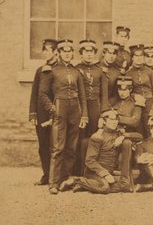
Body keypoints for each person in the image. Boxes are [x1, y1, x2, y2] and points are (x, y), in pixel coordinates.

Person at [38, 39, 88, 194]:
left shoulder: (76, 72)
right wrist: (53, 109)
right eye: (64, 51)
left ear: (72, 53)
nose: (67, 54)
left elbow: (82, 96)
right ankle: (53, 182)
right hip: (60, 108)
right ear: (58, 53)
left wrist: (84, 115)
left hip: (75, 110)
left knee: (72, 147)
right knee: (58, 147)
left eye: (69, 51)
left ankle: (65, 179)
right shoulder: (50, 70)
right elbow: (43, 94)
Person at [59, 109, 134, 194]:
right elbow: (89, 161)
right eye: (111, 119)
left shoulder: (118, 134)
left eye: (116, 119)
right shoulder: (97, 136)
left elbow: (139, 136)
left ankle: (87, 186)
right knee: (105, 188)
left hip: (109, 172)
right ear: (104, 121)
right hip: (94, 173)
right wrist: (105, 174)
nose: (114, 122)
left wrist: (124, 136)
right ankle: (76, 180)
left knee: (127, 186)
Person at [75, 39, 109, 175]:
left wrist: (103, 114)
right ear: (81, 54)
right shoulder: (76, 69)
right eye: (86, 51)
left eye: (91, 52)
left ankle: (93, 169)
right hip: (80, 107)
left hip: (95, 107)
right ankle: (78, 170)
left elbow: (104, 95)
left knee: (94, 138)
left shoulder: (100, 71)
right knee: (79, 138)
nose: (89, 54)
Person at [28, 38, 58, 186]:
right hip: (41, 113)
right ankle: (46, 175)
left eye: (48, 49)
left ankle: (57, 175)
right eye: (44, 50)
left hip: (57, 111)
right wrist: (32, 113)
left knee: (57, 145)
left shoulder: (59, 70)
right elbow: (34, 93)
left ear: (56, 52)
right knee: (43, 145)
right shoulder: (40, 70)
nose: (45, 52)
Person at [126, 44, 153, 136]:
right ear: (132, 58)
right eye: (136, 56)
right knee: (138, 131)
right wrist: (134, 96)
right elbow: (126, 92)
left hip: (150, 104)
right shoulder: (128, 73)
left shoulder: (150, 72)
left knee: (150, 131)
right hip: (136, 105)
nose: (139, 58)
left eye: (141, 55)